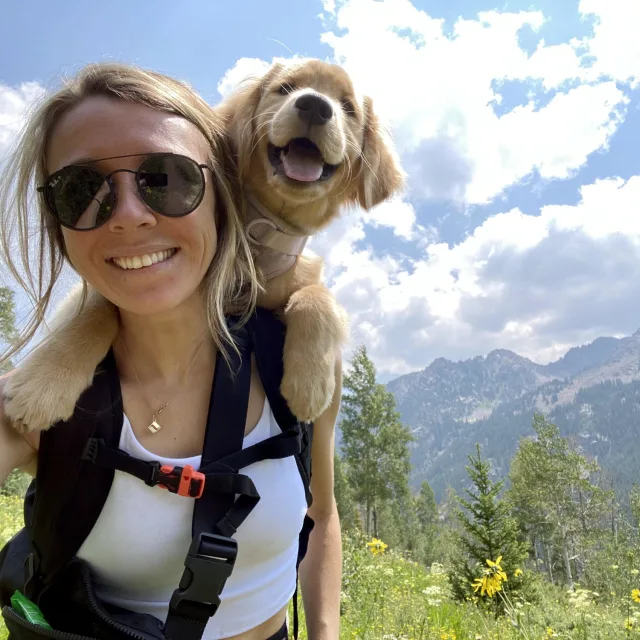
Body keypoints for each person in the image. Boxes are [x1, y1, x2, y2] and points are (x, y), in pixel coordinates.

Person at [0, 62, 342, 640]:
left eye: (168, 178)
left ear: (224, 190)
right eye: (81, 189)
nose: (130, 213)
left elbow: (321, 514)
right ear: (60, 227)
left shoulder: (297, 358)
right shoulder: (40, 400)